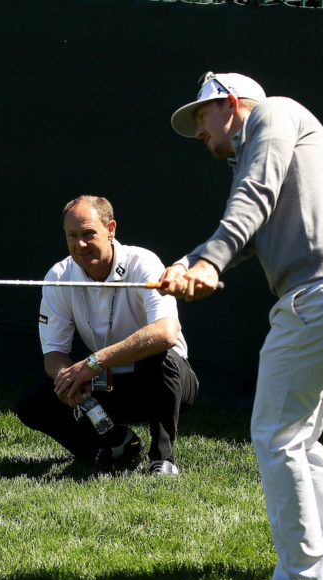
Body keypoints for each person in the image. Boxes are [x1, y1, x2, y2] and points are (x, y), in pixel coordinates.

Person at [160, 71, 323, 580]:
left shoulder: (273, 113)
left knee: (275, 435)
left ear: (234, 104)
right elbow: (250, 229)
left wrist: (210, 262)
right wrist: (189, 263)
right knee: (300, 437)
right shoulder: (264, 144)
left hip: (320, 298)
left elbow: (253, 197)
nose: (199, 130)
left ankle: (302, 578)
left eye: (202, 114)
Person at [14, 195, 198, 475]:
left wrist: (92, 364)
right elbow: (53, 354)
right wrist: (67, 377)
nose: (80, 244)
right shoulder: (59, 275)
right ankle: (113, 446)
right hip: (106, 381)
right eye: (72, 236)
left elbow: (165, 333)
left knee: (163, 360)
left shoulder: (143, 262)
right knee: (33, 403)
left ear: (110, 230)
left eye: (88, 234)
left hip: (164, 383)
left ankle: (162, 460)